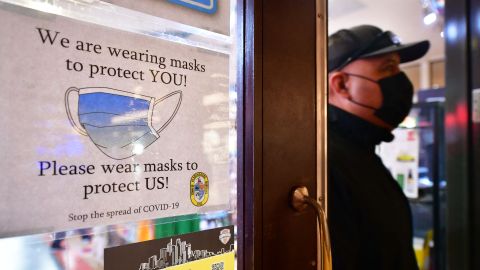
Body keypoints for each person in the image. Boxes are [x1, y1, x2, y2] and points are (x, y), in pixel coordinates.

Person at [327, 25, 430, 269]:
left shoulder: (361, 151)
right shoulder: (325, 163)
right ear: (342, 85)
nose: (400, 80)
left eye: (398, 67)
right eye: (388, 68)